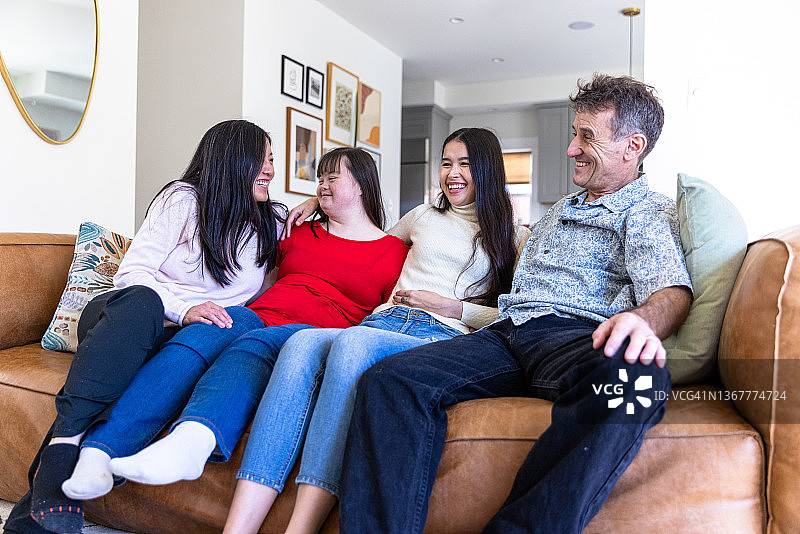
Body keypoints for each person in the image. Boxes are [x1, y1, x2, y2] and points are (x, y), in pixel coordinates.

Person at [339, 74, 694, 534]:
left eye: (587, 137)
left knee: (639, 378)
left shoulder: (645, 213)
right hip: (503, 336)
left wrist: (643, 321)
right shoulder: (557, 211)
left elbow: (672, 290)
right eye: (573, 134)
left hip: (572, 338)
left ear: (633, 146)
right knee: (389, 380)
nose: (571, 149)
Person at [55, 147, 408, 522]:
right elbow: (260, 274)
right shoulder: (296, 229)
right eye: (318, 178)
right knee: (206, 329)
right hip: (256, 315)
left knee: (254, 348)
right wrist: (309, 205)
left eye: (331, 177)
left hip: (314, 337)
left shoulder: (394, 253)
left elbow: (385, 321)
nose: (321, 184)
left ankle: (192, 440)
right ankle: (100, 451)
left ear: (362, 184)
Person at [221, 128, 531, 534]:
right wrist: (323, 200)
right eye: (445, 163)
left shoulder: (516, 235)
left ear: (488, 170)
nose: (452, 174)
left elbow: (518, 316)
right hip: (381, 322)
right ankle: (238, 527)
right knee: (301, 342)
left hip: (437, 334)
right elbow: (365, 238)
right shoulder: (422, 216)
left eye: (465, 164)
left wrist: (453, 307)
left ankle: (300, 527)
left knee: (350, 345)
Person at [3, 119, 285, 534]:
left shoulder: (272, 223)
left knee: (164, 358)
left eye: (273, 161)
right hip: (124, 319)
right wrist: (186, 308)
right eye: (263, 160)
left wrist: (316, 201)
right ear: (232, 160)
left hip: (184, 343)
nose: (271, 171)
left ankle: (49, 483)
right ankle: (63, 457)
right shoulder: (183, 200)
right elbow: (132, 274)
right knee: (143, 301)